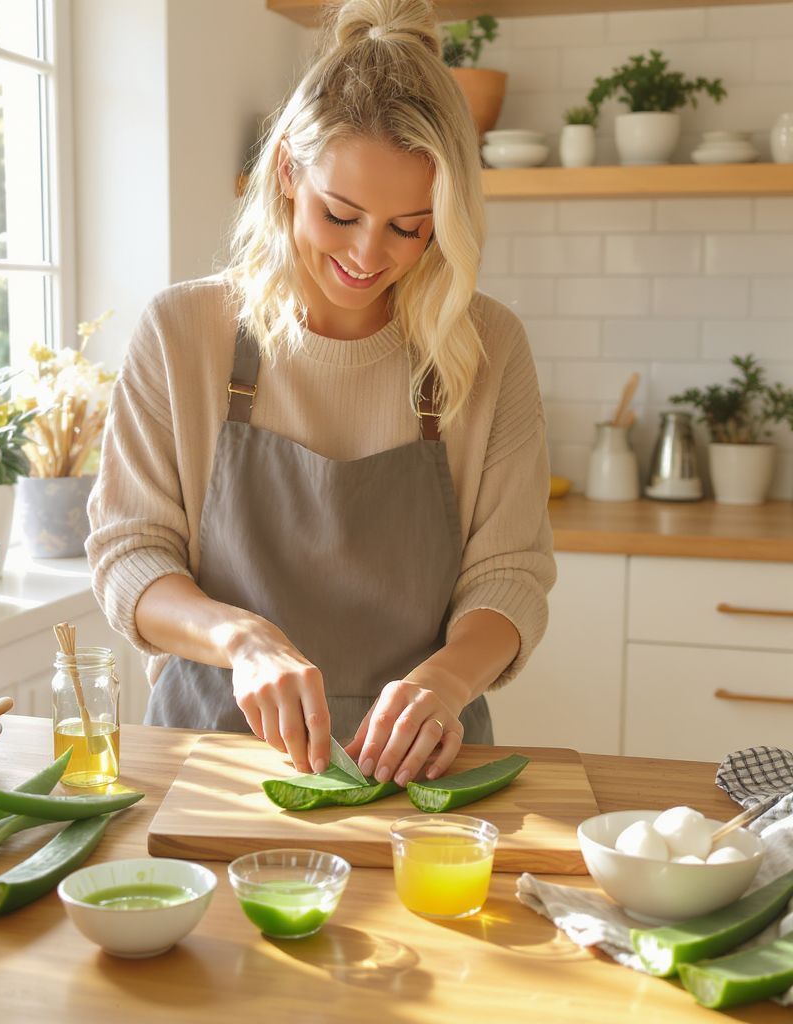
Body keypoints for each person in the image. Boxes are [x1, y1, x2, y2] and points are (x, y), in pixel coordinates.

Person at [87, 0, 556, 790]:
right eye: (341, 214)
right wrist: (240, 640)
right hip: (209, 758)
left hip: (421, 768)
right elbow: (129, 556)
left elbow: (510, 574)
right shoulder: (183, 332)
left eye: (410, 228)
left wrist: (445, 682)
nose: (369, 256)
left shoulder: (488, 345)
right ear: (286, 173)